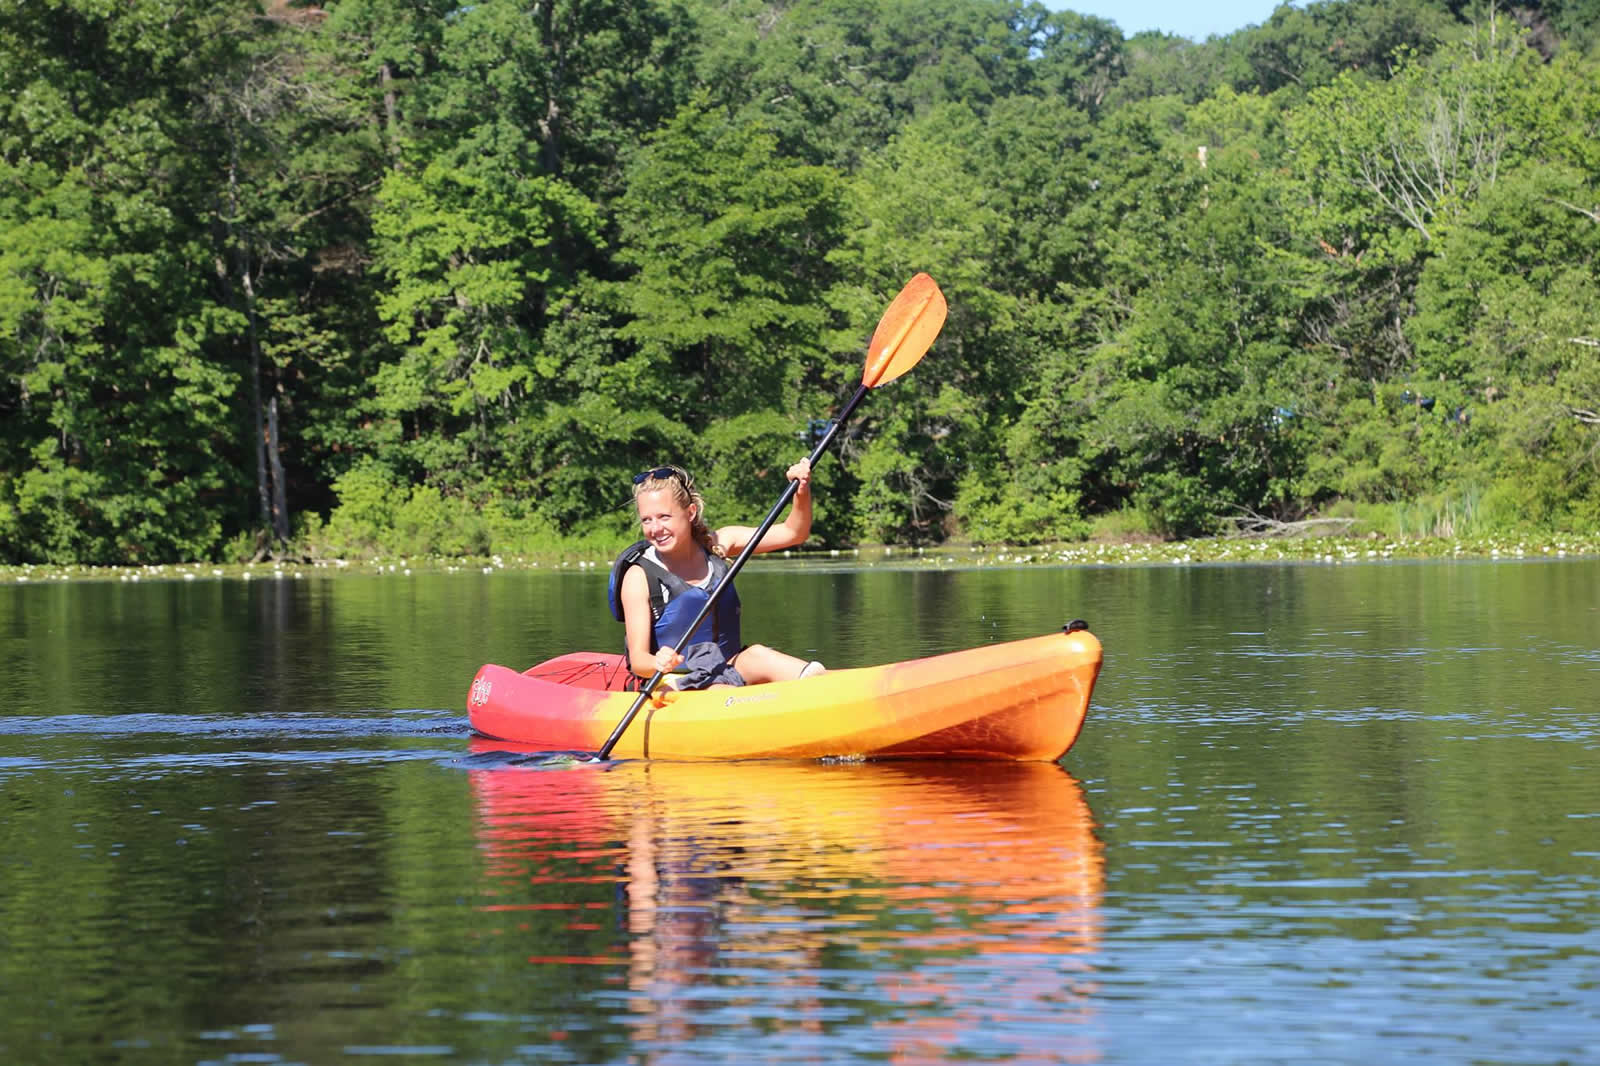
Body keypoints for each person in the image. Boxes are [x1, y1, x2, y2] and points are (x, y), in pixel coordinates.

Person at [607, 461, 827, 690]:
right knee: (720, 690)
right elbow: (639, 661)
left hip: (727, 666)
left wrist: (802, 489)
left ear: (690, 512)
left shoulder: (717, 544)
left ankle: (826, 686)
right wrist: (658, 661)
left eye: (664, 516)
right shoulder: (638, 577)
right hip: (673, 679)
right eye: (647, 519)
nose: (655, 528)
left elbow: (794, 532)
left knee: (759, 655)